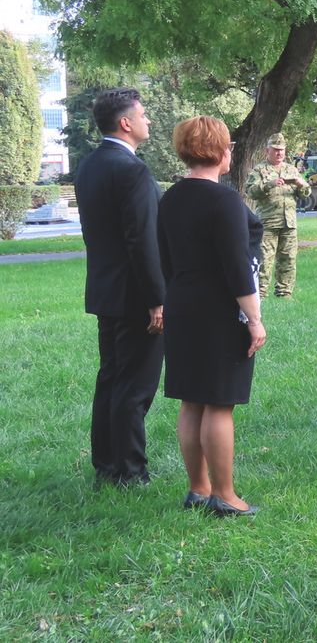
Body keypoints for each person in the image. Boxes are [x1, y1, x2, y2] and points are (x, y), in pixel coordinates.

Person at [158, 117, 266, 515]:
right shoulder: (225, 201)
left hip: (182, 304)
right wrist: (254, 319)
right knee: (219, 403)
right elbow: (238, 267)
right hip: (220, 310)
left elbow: (165, 259)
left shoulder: (170, 198)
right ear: (221, 152)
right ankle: (225, 495)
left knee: (192, 401)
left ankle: (198, 489)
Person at [74, 88, 166, 488]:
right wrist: (156, 299)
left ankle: (107, 464)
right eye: (143, 115)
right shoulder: (133, 170)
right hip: (133, 296)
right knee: (135, 385)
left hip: (104, 290)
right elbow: (142, 241)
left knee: (111, 377)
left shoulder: (89, 166)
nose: (149, 121)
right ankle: (130, 471)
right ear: (125, 123)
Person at [245, 133, 309, 300]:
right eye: (275, 150)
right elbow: (250, 191)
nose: (279, 153)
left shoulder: (292, 169)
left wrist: (302, 185)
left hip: (289, 223)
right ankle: (261, 295)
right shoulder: (259, 170)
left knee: (288, 259)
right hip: (268, 223)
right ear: (268, 150)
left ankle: (285, 294)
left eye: (281, 150)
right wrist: (268, 185)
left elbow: (305, 193)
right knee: (264, 261)